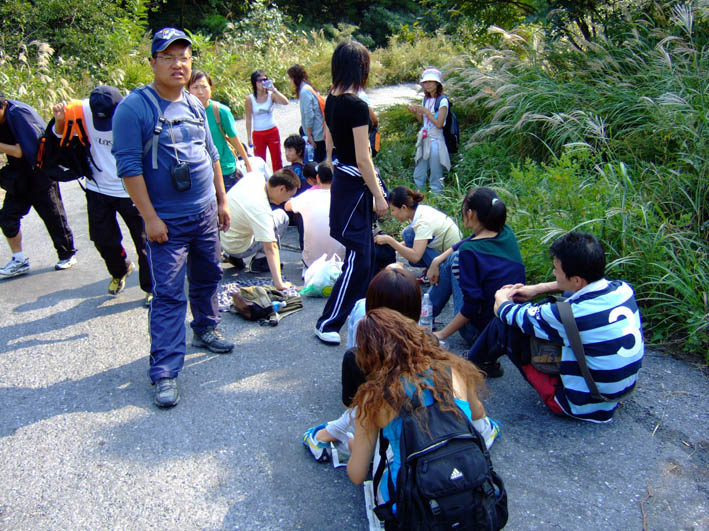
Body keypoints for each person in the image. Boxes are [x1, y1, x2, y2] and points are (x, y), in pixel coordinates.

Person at [112, 28, 233, 408]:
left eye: (184, 57)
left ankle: (206, 328)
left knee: (209, 274)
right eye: (168, 57)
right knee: (168, 294)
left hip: (204, 212)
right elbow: (129, 167)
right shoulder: (134, 108)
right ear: (153, 63)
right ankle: (164, 371)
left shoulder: (195, 104)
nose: (177, 64)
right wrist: (149, 218)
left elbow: (212, 153)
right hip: (166, 222)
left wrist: (222, 201)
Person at [467, 231, 644, 423]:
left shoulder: (569, 314)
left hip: (580, 404)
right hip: (616, 394)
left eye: (556, 269)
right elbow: (577, 287)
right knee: (564, 301)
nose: (554, 273)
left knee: (505, 325)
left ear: (576, 279)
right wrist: (538, 288)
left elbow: (505, 312)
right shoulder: (623, 289)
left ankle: (476, 363)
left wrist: (502, 294)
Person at [345, 308, 499, 496]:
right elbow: (477, 413)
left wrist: (354, 446)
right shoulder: (453, 369)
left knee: (382, 451)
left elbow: (357, 475)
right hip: (470, 485)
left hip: (415, 500)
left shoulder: (374, 398)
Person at [314, 41, 388, 345]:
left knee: (366, 259)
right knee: (359, 260)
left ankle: (363, 317)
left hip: (345, 181)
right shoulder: (356, 106)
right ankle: (327, 322)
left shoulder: (332, 98)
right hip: (356, 186)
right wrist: (379, 195)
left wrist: (332, 161)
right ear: (360, 68)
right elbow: (363, 157)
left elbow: (329, 138)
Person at [51, 86, 153, 304]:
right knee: (102, 239)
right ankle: (120, 270)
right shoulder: (81, 110)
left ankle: (152, 287)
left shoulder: (134, 112)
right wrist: (59, 119)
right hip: (97, 187)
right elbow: (58, 136)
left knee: (145, 242)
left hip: (131, 188)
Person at [428, 187, 525, 346]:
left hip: (480, 335)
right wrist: (437, 260)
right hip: (508, 328)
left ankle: (424, 315)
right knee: (453, 256)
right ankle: (426, 312)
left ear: (470, 213)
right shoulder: (506, 232)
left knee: (455, 258)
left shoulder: (469, 252)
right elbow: (471, 239)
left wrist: (441, 334)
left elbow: (472, 305)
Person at [0, 93, 76, 278]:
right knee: (7, 217)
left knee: (53, 216)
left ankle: (67, 254)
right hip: (19, 175)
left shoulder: (19, 114)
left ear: (3, 105)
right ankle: (19, 260)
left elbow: (20, 151)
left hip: (40, 173)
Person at [220, 168, 297, 289]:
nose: (288, 199)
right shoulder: (261, 208)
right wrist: (279, 283)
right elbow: (271, 247)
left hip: (224, 237)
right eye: (290, 195)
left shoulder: (255, 176)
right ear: (281, 188)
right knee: (282, 217)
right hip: (238, 248)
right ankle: (260, 262)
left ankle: (233, 256)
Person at [188, 70, 252, 191]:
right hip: (200, 172)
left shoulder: (220, 111)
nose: (200, 91)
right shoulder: (185, 113)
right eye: (195, 87)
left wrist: (247, 162)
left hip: (224, 169)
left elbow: (234, 139)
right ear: (188, 90)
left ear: (211, 88)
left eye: (204, 87)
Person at [373, 186, 461, 272]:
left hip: (451, 262)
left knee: (408, 234)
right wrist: (393, 246)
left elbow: (415, 257)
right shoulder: (420, 211)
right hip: (447, 252)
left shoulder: (423, 222)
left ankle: (439, 273)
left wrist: (390, 241)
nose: (392, 214)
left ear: (404, 208)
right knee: (409, 233)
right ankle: (430, 269)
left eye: (393, 210)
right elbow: (418, 240)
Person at [285, 162, 344, 270]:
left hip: (312, 261)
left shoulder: (308, 195)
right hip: (341, 259)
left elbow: (287, 206)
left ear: (318, 178)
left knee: (298, 213)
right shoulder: (345, 196)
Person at [407, 68, 451, 194]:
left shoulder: (443, 101)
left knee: (436, 172)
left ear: (437, 84)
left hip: (436, 139)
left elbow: (439, 124)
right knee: (419, 171)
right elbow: (421, 120)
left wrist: (426, 112)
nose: (428, 84)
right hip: (425, 137)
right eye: (425, 82)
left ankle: (438, 198)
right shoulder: (425, 99)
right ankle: (417, 196)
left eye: (431, 81)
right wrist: (417, 111)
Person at [245, 69, 288, 172]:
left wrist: (274, 90)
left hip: (272, 130)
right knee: (259, 161)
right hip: (258, 133)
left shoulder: (271, 95)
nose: (263, 82)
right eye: (260, 80)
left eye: (265, 80)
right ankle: (263, 179)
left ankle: (279, 179)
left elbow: (285, 102)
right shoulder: (250, 99)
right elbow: (248, 118)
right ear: (254, 83)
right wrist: (249, 137)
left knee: (277, 159)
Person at [287, 64, 326, 163]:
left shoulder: (304, 91)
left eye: (290, 78)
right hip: (320, 129)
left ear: (294, 78)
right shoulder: (308, 87)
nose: (290, 81)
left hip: (316, 132)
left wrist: (308, 134)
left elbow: (309, 115)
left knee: (317, 162)